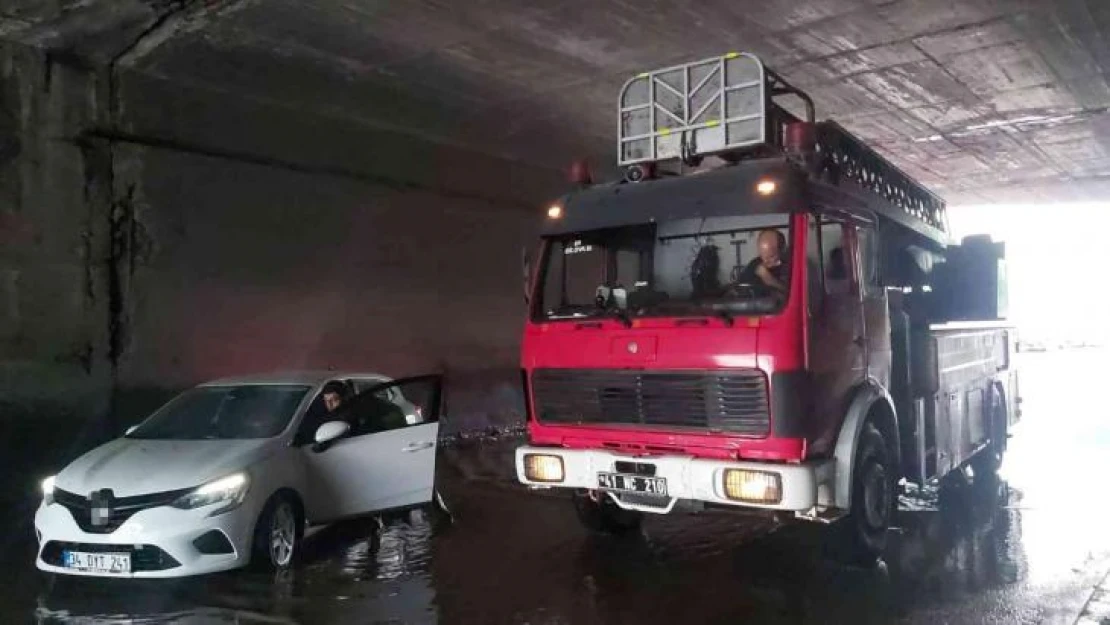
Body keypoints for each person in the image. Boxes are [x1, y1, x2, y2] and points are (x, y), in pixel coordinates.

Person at [733, 228, 789, 296]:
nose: (765, 261)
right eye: (762, 255)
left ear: (782, 250)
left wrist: (770, 280)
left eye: (771, 256)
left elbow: (795, 294)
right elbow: (739, 288)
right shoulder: (755, 264)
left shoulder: (791, 266)